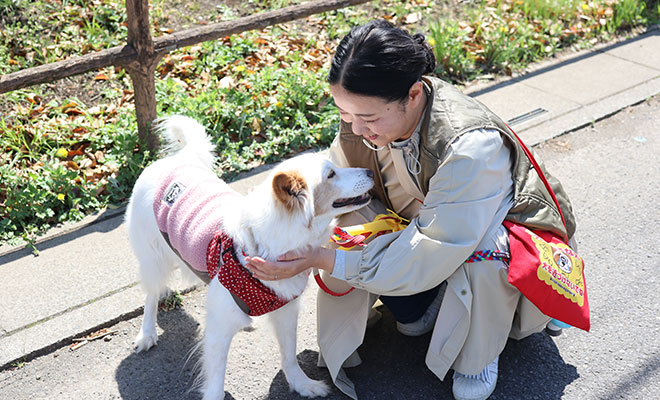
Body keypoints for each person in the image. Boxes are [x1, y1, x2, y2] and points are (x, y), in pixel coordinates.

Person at [245, 19, 577, 400]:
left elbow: (436, 245)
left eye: (368, 118)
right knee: (350, 211)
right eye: (346, 114)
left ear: (414, 93)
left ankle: (480, 349)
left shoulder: (471, 147)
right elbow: (340, 188)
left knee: (487, 247)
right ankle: (422, 307)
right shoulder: (366, 113)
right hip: (427, 223)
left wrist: (319, 258)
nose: (356, 127)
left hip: (509, 240)